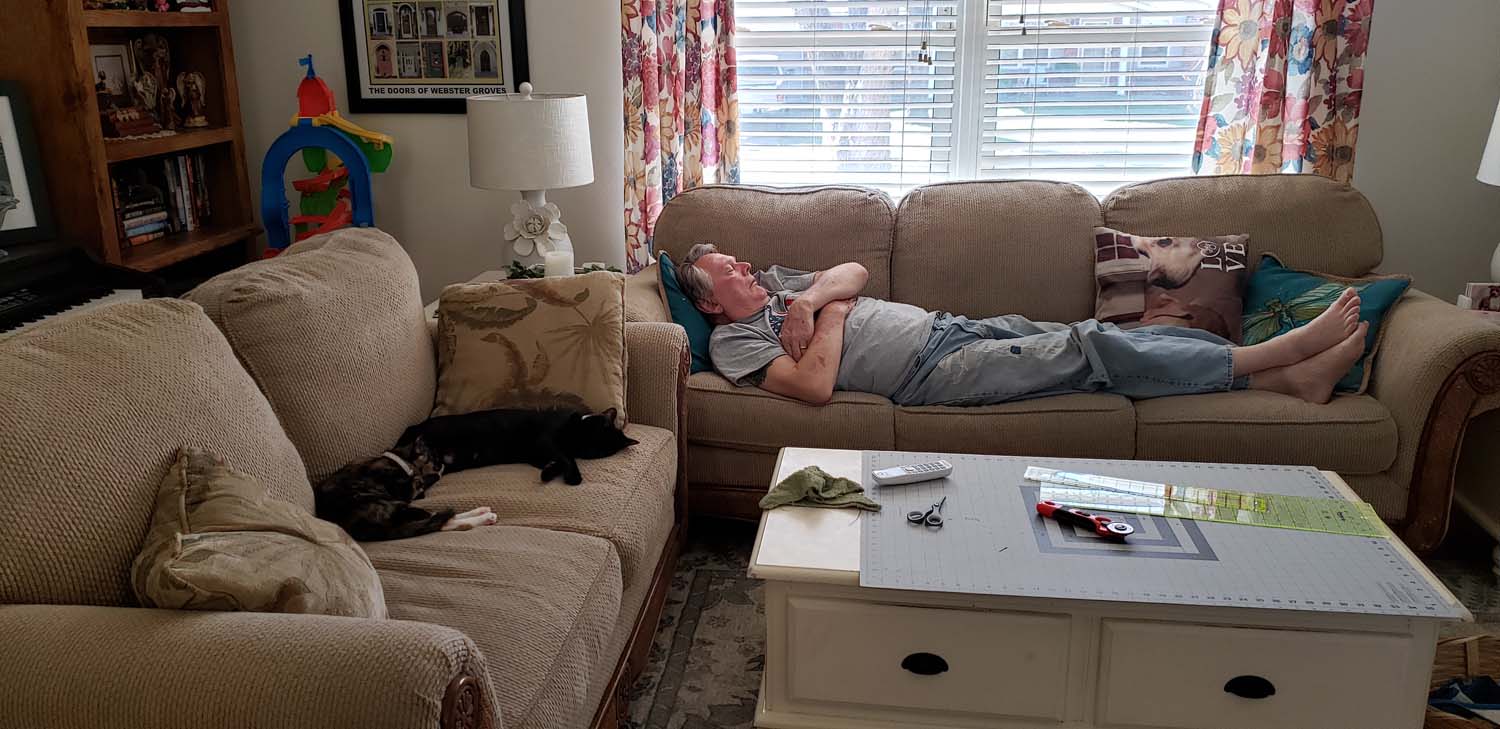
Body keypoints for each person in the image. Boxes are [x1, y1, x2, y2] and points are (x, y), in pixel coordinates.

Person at [674, 243, 1368, 407]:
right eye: (730, 269)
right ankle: (1269, 358)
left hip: (953, 327)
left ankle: (1281, 380)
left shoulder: (782, 291)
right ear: (709, 303)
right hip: (930, 373)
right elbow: (813, 385)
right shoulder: (735, 340)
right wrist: (833, 315)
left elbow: (852, 271)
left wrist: (810, 301)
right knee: (1089, 347)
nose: (746, 266)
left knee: (1105, 340)